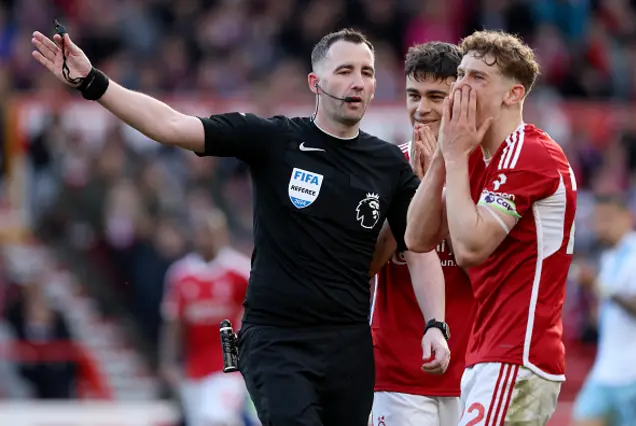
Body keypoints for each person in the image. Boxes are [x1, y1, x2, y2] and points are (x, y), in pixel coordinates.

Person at [31, 27, 450, 426]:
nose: (358, 82)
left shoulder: (389, 165)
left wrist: (435, 324)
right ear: (314, 82)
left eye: (367, 72)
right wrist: (93, 82)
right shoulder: (273, 139)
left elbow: (419, 248)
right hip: (276, 340)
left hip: (349, 344)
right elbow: (172, 126)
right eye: (344, 71)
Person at [405, 30, 578, 425]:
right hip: (489, 353)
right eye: (461, 74)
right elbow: (417, 238)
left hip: (517, 353)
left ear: (513, 95)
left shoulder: (529, 152)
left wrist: (452, 155)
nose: (462, 86)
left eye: (478, 78)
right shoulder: (480, 156)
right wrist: (441, 163)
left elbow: (468, 248)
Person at [369, 42, 475, 426]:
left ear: (461, 98)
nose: (422, 108)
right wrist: (412, 197)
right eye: (414, 95)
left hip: (473, 372)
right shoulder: (385, 169)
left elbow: (482, 262)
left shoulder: (487, 172)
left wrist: (439, 191)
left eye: (436, 96)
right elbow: (365, 266)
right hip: (398, 370)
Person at [159, 210, 254, 426]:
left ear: (223, 235)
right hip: (194, 367)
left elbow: (255, 316)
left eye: (213, 233)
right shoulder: (181, 274)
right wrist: (167, 361)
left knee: (217, 418)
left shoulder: (238, 270)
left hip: (229, 364)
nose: (208, 238)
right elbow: (173, 322)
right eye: (203, 233)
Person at [571, 194, 636, 426]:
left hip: (634, 372)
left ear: (627, 218)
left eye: (607, 219)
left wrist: (599, 286)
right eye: (597, 220)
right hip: (606, 368)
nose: (601, 227)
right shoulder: (610, 257)